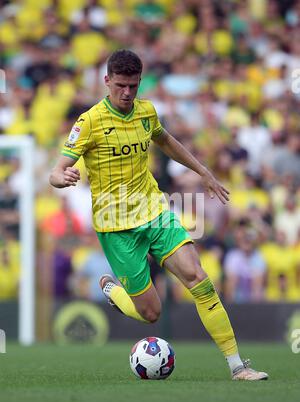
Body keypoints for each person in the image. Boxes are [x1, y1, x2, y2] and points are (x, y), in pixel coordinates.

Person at [50, 49, 268, 381]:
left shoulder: (146, 112)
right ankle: (113, 291)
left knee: (199, 280)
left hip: (154, 211)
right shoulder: (89, 121)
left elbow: (166, 141)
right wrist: (60, 178)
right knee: (151, 313)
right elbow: (57, 169)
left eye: (133, 86)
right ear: (107, 81)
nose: (126, 93)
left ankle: (238, 366)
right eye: (120, 85)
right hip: (116, 227)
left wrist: (204, 172)